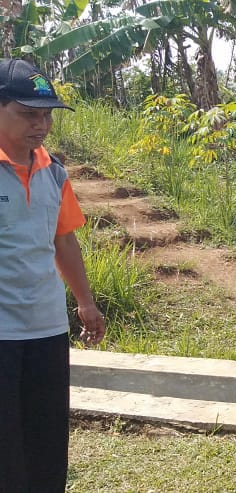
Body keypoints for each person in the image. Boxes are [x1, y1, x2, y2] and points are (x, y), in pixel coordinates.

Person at [0, 58, 106, 491]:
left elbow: (63, 240)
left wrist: (85, 301)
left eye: (45, 115)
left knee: (46, 443)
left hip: (46, 329)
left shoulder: (53, 171)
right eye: (28, 113)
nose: (40, 125)